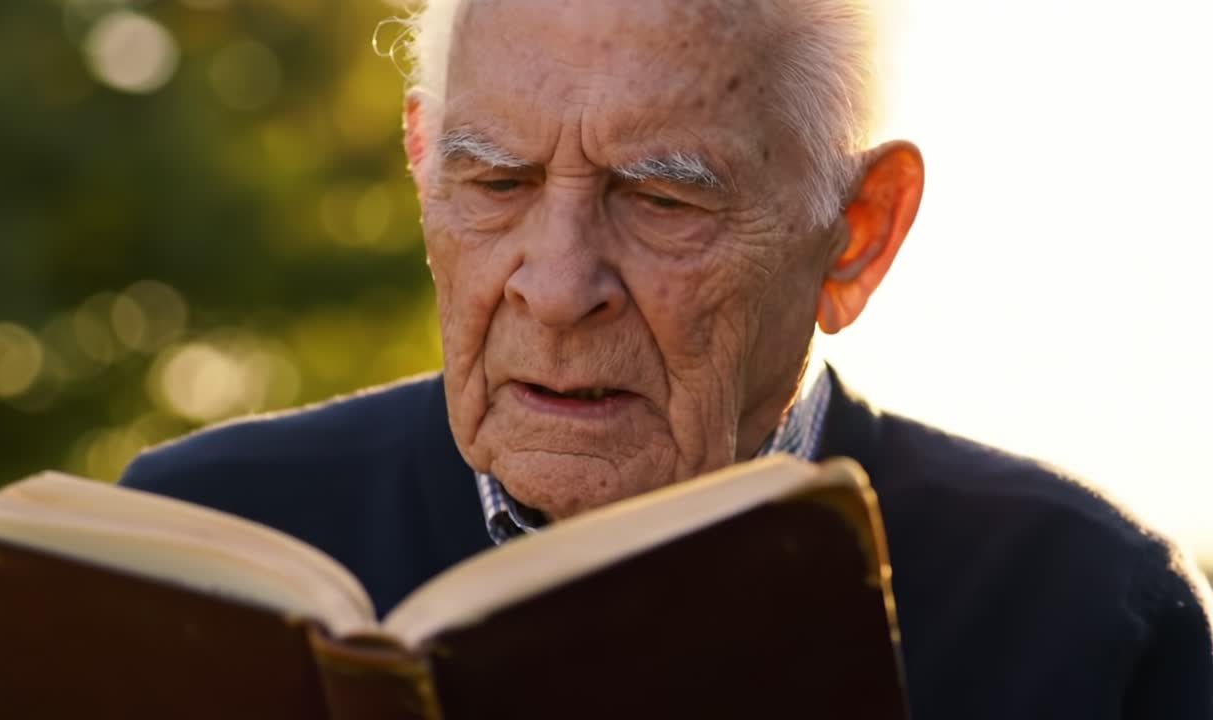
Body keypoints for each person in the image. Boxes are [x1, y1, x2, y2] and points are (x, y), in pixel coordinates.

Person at [121, 0, 1213, 716]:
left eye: (660, 200)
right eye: (495, 184)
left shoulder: (1084, 615)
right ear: (422, 169)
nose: (557, 288)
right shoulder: (190, 543)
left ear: (858, 232)